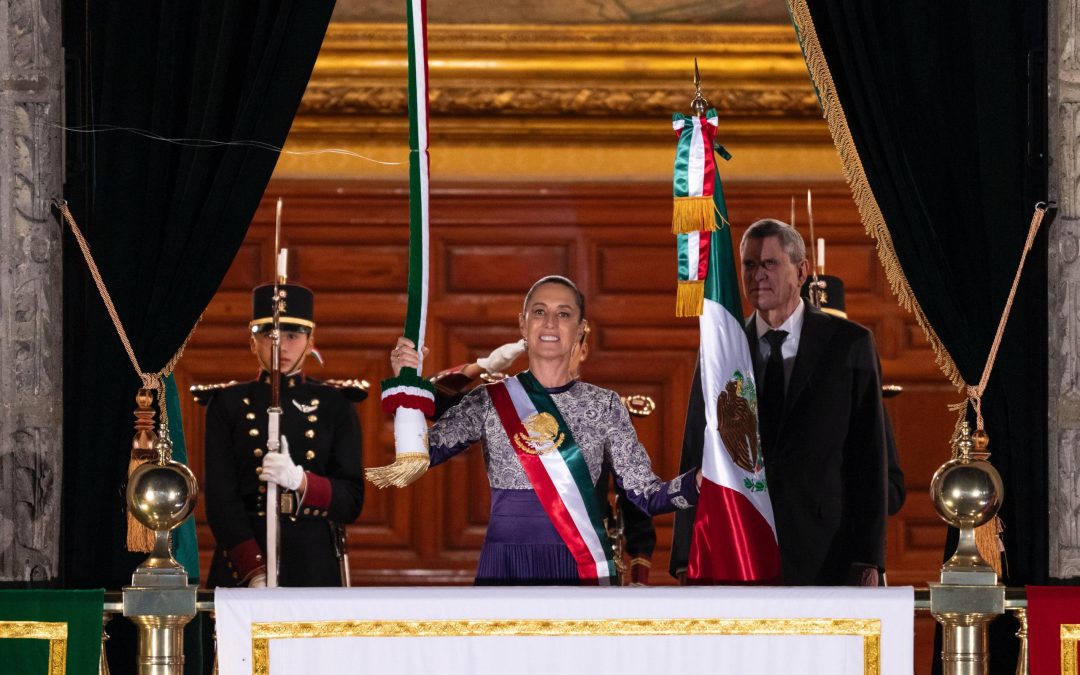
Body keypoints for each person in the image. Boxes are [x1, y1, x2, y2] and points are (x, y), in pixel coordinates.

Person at [388, 275, 698, 585]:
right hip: (505, 566)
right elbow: (415, 459)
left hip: (580, 568)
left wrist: (701, 480)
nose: (550, 322)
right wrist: (406, 383)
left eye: (563, 314)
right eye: (539, 312)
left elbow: (645, 496)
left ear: (580, 328)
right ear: (522, 324)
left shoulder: (605, 406)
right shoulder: (490, 401)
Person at [671, 219, 887, 586]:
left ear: (801, 271)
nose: (758, 275)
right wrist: (684, 553)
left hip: (824, 551)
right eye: (750, 265)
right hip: (738, 546)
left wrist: (868, 558)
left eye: (770, 264)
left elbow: (869, 458)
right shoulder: (723, 348)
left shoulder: (849, 343)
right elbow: (696, 449)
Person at [431, 328, 658, 585]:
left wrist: (640, 574)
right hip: (518, 556)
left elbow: (633, 495)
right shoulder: (506, 401)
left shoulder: (602, 407)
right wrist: (481, 365)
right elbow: (431, 398)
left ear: (583, 350)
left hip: (584, 556)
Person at [198, 282, 366, 587]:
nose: (281, 346)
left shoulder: (335, 404)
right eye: (269, 336)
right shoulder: (227, 404)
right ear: (253, 342)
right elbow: (220, 500)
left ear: (310, 340)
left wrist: (301, 482)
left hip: (313, 562)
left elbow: (351, 500)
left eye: (292, 336)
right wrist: (253, 570)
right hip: (244, 561)